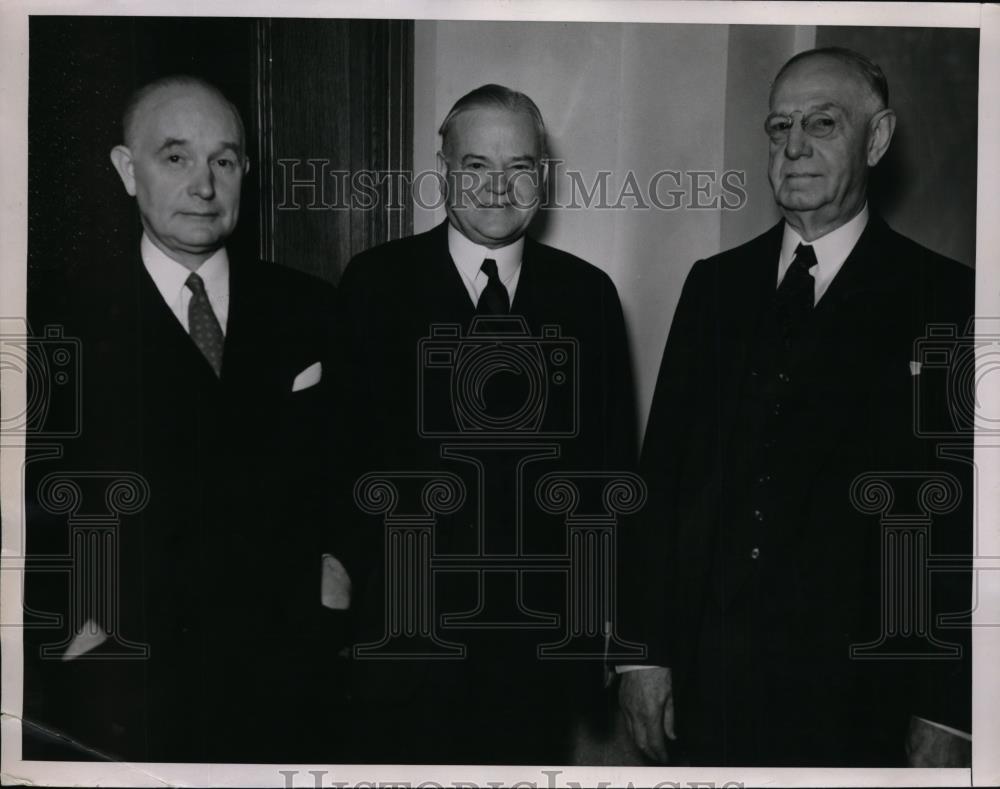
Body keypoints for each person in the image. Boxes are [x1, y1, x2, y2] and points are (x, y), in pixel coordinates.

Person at [617, 47, 973, 767]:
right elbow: (660, 484)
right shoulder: (714, 287)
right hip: (709, 692)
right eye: (779, 128)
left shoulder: (947, 299)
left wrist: (949, 707)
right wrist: (640, 657)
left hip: (860, 700)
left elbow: (964, 523)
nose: (795, 147)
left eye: (822, 123)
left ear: (876, 139)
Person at [23, 75, 343, 763]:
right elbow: (26, 504)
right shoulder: (55, 323)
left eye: (223, 161)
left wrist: (341, 570)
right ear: (126, 169)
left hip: (288, 681)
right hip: (127, 688)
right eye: (176, 157)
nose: (204, 185)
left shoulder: (311, 309)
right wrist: (77, 631)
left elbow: (357, 463)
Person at [333, 84, 638, 764]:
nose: (498, 187)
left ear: (545, 178)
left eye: (519, 167)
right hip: (402, 642)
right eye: (476, 166)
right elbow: (338, 455)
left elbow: (611, 470)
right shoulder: (374, 284)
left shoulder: (587, 296)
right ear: (443, 171)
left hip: (537, 651)